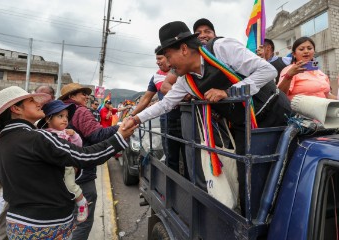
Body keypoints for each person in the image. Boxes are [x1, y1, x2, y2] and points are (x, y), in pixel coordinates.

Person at [124, 21, 292, 214]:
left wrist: (228, 92)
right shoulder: (185, 81)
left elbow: (268, 71)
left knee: (284, 173)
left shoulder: (222, 48)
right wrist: (136, 119)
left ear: (184, 49)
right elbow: (165, 104)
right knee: (249, 181)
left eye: (169, 56)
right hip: (243, 126)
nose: (168, 64)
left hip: (275, 115)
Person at [0, 86, 136, 239]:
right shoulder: (37, 138)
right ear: (16, 108)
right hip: (46, 225)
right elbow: (84, 156)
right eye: (31, 101)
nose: (38, 103)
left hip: (17, 225)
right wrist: (119, 138)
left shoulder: (2, 143)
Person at [58, 83, 120, 240]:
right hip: (81, 173)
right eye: (82, 94)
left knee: (66, 219)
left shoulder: (58, 112)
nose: (86, 96)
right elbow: (97, 135)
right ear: (71, 97)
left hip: (61, 172)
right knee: (83, 220)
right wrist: (119, 127)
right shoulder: (80, 111)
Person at [130, 46, 188, 177]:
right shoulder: (155, 76)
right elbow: (146, 99)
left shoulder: (183, 71)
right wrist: (132, 116)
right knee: (171, 157)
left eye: (160, 58)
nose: (158, 61)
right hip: (167, 121)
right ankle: (174, 189)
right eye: (156, 59)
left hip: (186, 119)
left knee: (189, 157)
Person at [38, 100, 89, 223]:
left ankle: (82, 203)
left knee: (70, 186)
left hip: (67, 167)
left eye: (66, 116)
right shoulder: (41, 134)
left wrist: (74, 135)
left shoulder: (67, 134)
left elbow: (78, 146)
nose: (65, 119)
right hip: (49, 169)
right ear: (48, 119)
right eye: (60, 116)